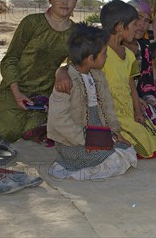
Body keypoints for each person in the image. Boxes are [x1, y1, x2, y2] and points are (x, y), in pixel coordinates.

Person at [0, 0, 79, 143]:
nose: (65, 2)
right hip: (14, 87)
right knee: (8, 133)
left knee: (32, 131)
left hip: (43, 93)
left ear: (75, 3)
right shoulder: (32, 22)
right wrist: (17, 94)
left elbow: (75, 64)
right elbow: (10, 59)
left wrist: (62, 71)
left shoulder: (75, 32)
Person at [47, 23, 137, 180]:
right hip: (73, 142)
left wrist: (115, 132)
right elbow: (58, 120)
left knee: (128, 150)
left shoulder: (98, 75)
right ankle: (71, 168)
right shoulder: (65, 82)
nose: (107, 57)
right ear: (90, 58)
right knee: (115, 160)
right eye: (104, 54)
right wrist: (86, 140)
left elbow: (107, 107)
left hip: (97, 134)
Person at [123, 0, 152, 71]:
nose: (142, 25)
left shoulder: (146, 50)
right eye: (138, 18)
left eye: (146, 20)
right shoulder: (110, 48)